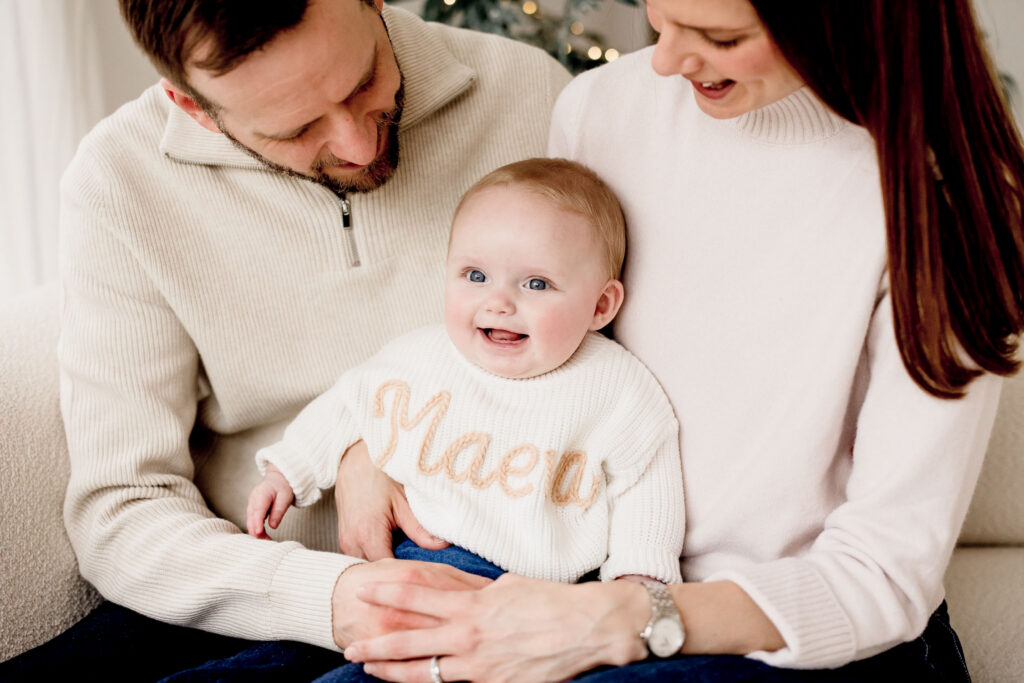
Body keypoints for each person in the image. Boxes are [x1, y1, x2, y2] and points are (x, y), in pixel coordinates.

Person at [333, 1, 1024, 681]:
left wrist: (619, 616)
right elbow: (546, 360)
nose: (664, 62)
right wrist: (372, 444)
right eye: (660, 17)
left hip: (801, 632)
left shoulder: (938, 197)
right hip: (590, 586)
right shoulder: (604, 108)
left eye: (719, 37)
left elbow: (882, 576)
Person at [0, 0, 570, 680]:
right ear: (192, 107)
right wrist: (325, 597)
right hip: (251, 584)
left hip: (490, 565)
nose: (358, 145)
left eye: (365, 79)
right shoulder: (119, 180)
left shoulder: (531, 95)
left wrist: (384, 441)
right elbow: (122, 508)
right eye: (296, 129)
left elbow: (621, 378)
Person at [246, 158, 684, 681]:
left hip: (539, 596)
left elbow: (645, 484)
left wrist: (638, 579)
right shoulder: (421, 357)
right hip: (407, 562)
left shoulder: (617, 389)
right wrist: (288, 471)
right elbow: (348, 404)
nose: (498, 302)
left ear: (601, 305)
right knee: (270, 659)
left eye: (537, 284)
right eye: (475, 276)